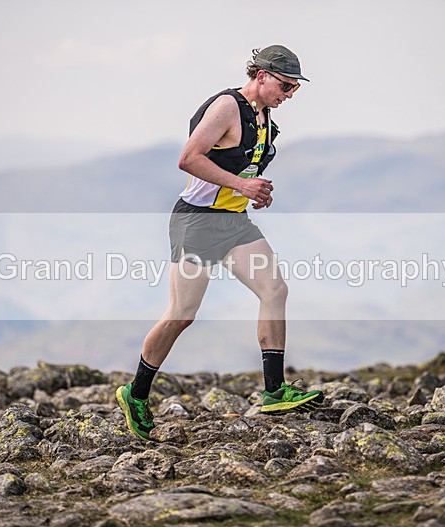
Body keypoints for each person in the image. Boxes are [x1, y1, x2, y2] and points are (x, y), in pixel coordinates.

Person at [116, 45, 323, 440]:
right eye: (285, 85)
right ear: (261, 75)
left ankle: (275, 391)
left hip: (234, 222)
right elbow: (189, 158)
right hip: (197, 222)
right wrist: (243, 184)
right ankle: (136, 392)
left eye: (295, 88)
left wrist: (253, 192)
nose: (290, 94)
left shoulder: (263, 116)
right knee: (182, 313)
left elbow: (239, 169)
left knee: (275, 289)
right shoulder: (227, 107)